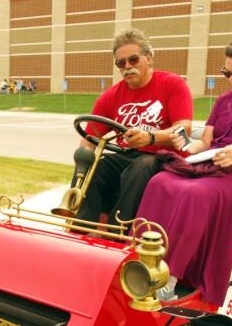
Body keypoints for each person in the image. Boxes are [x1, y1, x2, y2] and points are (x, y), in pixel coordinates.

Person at [136, 37, 232, 305]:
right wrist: (185, 143)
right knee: (160, 182)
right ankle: (140, 260)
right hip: (212, 161)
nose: (230, 79)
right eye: (226, 73)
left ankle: (169, 276)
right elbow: (204, 144)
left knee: (193, 194)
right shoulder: (224, 100)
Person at [76, 28, 193, 225]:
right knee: (94, 166)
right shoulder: (111, 95)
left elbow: (184, 128)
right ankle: (79, 225)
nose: (127, 67)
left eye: (133, 60)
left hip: (164, 156)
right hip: (129, 155)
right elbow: (89, 139)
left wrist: (151, 138)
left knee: (141, 166)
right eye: (121, 63)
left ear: (148, 58)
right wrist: (82, 162)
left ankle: (117, 231)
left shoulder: (172, 84)